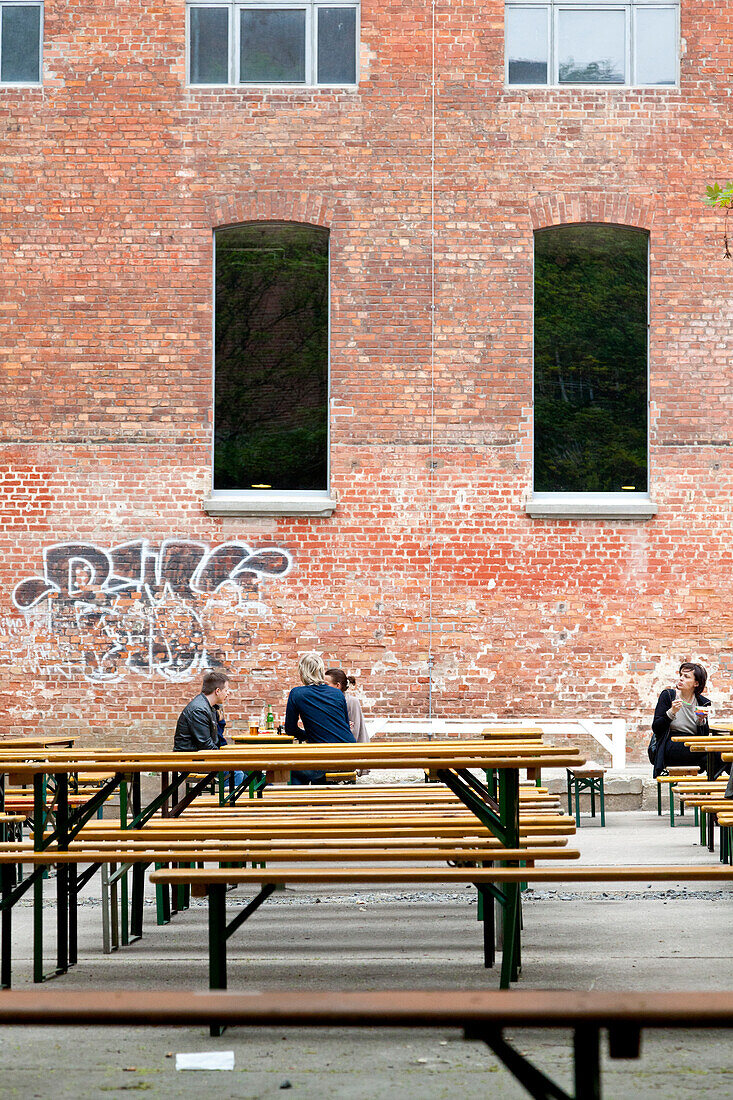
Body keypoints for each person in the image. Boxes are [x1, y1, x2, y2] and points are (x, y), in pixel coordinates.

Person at [285, 653, 355, 784]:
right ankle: (321, 803)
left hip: (326, 757)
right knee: (318, 769)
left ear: (302, 672)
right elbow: (345, 725)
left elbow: (290, 730)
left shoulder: (297, 693)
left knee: (294, 770)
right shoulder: (337, 693)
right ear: (320, 671)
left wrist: (309, 735)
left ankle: (300, 804)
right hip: (348, 754)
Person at [173, 670, 244, 786]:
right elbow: (205, 745)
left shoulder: (210, 707)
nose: (228, 694)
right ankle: (228, 803)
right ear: (217, 691)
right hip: (191, 760)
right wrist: (227, 758)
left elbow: (217, 740)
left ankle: (248, 802)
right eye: (226, 690)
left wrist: (220, 720)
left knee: (248, 769)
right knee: (236, 773)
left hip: (200, 757)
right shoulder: (199, 710)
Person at [650, 662, 719, 779]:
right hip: (671, 745)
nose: (681, 679)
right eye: (681, 675)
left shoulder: (701, 702)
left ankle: (716, 793)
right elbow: (656, 728)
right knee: (713, 754)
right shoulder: (668, 696)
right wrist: (671, 712)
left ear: (696, 683)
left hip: (693, 745)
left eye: (686, 677)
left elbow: (704, 734)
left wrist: (701, 721)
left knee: (721, 758)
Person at [325, 668, 370, 743]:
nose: (323, 687)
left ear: (337, 685)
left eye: (326, 684)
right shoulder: (327, 702)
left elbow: (355, 730)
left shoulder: (351, 701)